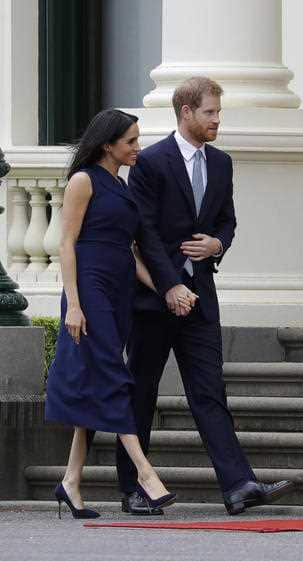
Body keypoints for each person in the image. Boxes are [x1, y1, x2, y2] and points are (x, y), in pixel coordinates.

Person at [115, 76, 294, 515]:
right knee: (141, 391)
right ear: (186, 113)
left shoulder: (223, 162)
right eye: (210, 112)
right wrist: (169, 285)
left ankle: (238, 487)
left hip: (200, 296)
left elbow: (227, 222)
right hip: (154, 299)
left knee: (210, 391)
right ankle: (135, 489)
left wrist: (218, 244)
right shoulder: (151, 162)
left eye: (218, 112)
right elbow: (146, 234)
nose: (217, 120)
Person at [44, 109, 179, 518]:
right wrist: (75, 304)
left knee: (97, 379)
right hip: (90, 289)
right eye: (131, 141)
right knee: (114, 374)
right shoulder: (83, 180)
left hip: (119, 291)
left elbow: (130, 251)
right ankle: (145, 472)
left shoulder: (121, 185)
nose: (138, 148)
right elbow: (66, 244)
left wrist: (166, 288)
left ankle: (70, 482)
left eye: (138, 140)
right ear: (108, 144)